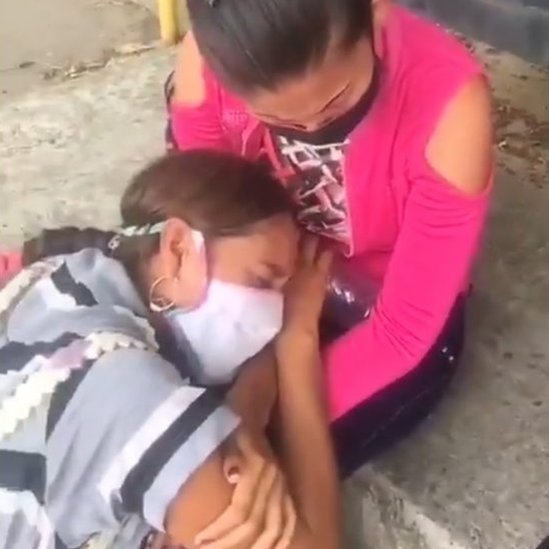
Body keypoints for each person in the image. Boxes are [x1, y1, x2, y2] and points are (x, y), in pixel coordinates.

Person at [163, 0, 494, 474]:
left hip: (379, 310)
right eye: (281, 119)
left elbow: (401, 333)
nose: (314, 130)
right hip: (269, 268)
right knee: (154, 415)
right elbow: (211, 219)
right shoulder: (215, 57)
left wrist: (264, 420)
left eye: (337, 101)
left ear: (376, 9)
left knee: (235, 477)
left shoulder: (448, 105)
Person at [0, 151, 339, 549]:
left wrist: (239, 419)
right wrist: (297, 342)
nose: (277, 310)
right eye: (263, 281)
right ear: (178, 248)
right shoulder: (127, 393)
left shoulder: (66, 276)